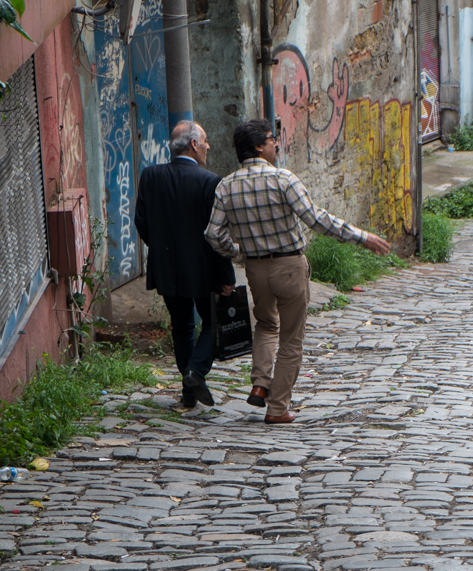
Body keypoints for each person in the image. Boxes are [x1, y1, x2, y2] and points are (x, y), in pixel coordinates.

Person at [205, 118, 390, 424]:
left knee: (265, 324)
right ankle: (278, 408)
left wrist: (238, 253)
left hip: (255, 269)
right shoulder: (284, 179)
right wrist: (361, 237)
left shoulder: (226, 186)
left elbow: (213, 234)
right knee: (291, 338)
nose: (276, 143)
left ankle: (260, 384)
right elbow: (316, 219)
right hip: (289, 266)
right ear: (258, 147)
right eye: (271, 138)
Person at [134, 121, 235, 408]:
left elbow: (141, 222)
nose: (207, 146)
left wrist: (161, 252)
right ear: (193, 144)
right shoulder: (210, 181)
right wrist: (227, 275)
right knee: (214, 323)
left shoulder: (150, 176)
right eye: (204, 141)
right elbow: (218, 234)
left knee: (181, 326)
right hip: (203, 267)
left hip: (165, 266)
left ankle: (189, 393)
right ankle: (195, 371)